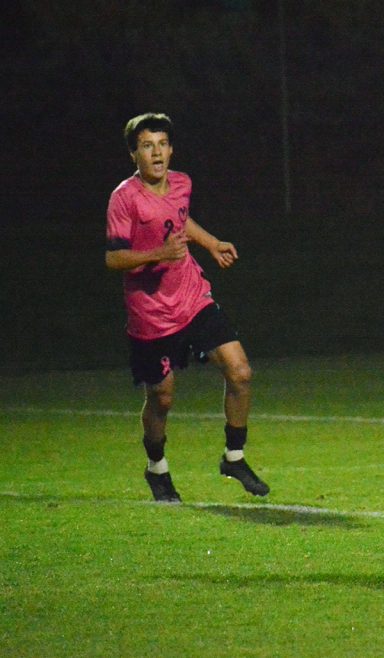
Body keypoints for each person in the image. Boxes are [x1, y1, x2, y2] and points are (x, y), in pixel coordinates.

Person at [105, 112, 269, 503]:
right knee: (161, 398)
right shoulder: (124, 198)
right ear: (134, 154)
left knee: (240, 371)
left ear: (172, 149)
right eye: (147, 145)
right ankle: (157, 468)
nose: (156, 152)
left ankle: (234, 456)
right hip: (150, 313)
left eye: (162, 144)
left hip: (192, 297)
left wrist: (210, 243)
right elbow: (113, 259)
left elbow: (179, 222)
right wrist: (158, 253)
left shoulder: (181, 183)